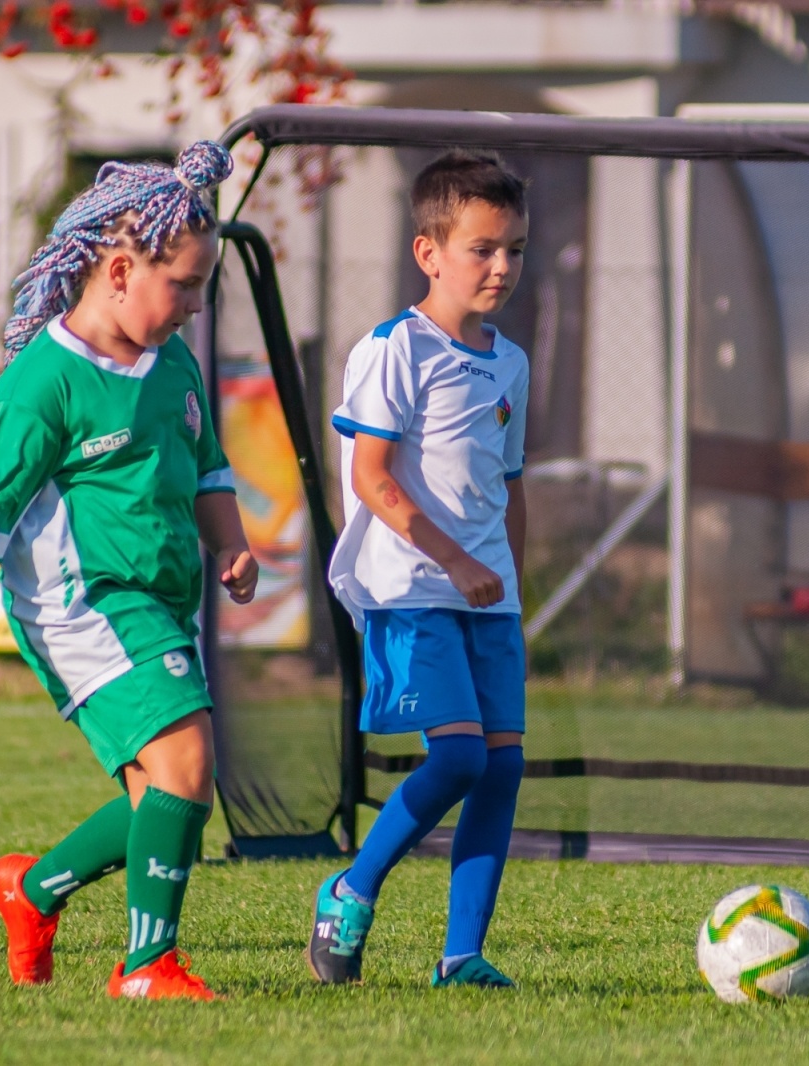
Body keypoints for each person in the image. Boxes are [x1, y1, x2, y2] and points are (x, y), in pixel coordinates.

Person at [0, 141, 258, 1002]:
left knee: (168, 796)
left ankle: (32, 893)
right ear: (118, 270)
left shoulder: (173, 362)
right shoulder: (42, 384)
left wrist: (229, 541)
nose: (194, 305)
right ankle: (147, 969)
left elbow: (208, 463)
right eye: (182, 285)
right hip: (83, 606)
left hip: (160, 599)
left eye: (201, 286)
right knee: (188, 765)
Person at [306, 150, 530, 989]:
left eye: (514, 249)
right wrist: (456, 559)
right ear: (429, 252)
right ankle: (351, 889)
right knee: (461, 758)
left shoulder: (511, 362)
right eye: (483, 248)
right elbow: (372, 477)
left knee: (501, 766)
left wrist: (512, 584)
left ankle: (462, 956)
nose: (502, 266)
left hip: (487, 595)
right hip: (413, 585)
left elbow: (509, 484)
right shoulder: (395, 349)